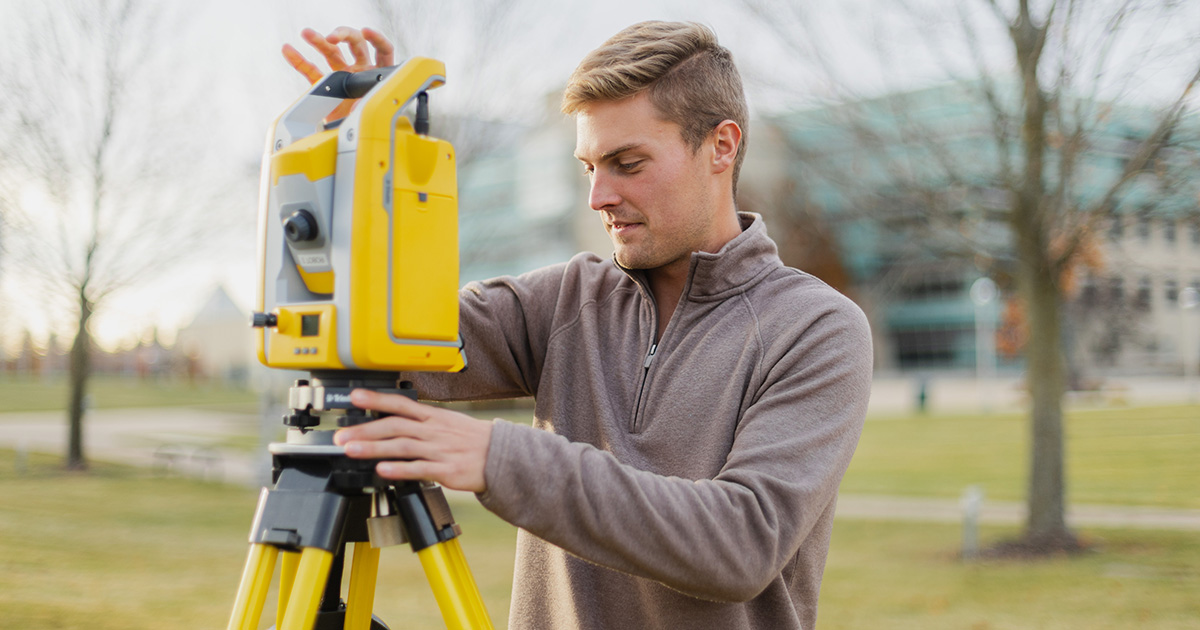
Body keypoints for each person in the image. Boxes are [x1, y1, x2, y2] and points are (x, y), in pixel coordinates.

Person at [284, 21, 873, 630]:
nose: (598, 196)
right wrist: (365, 161)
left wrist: (502, 458)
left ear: (721, 146)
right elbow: (380, 333)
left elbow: (742, 543)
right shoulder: (564, 301)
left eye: (627, 163)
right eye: (589, 167)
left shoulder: (817, 328)